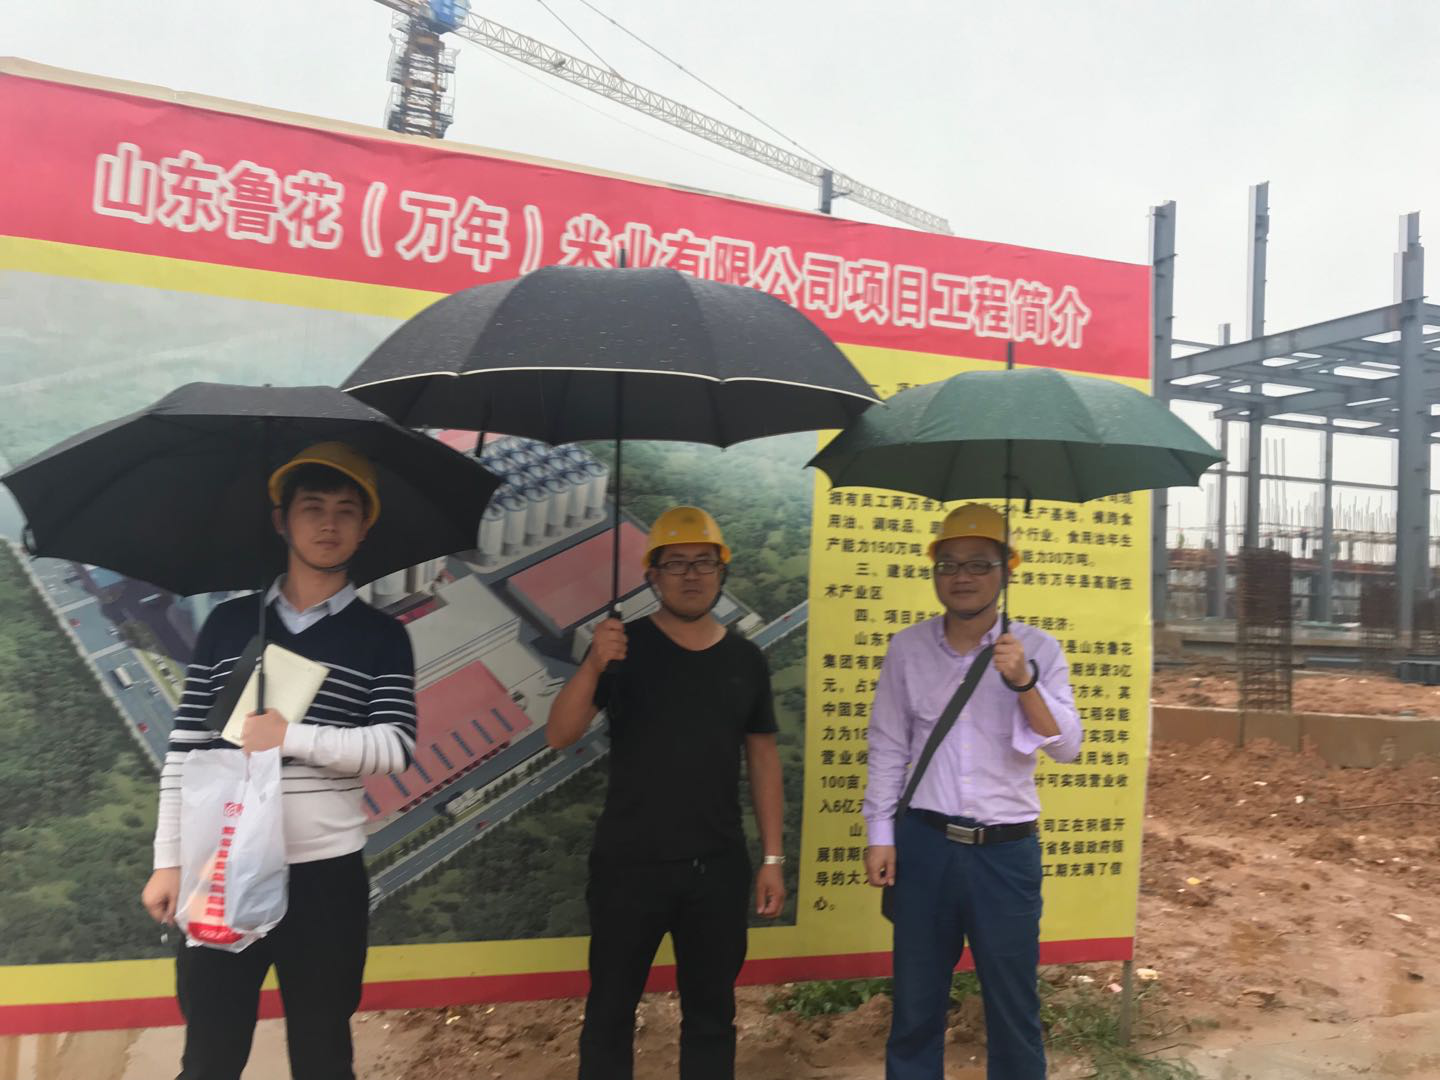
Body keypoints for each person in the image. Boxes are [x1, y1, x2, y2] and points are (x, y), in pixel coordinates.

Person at [140, 442, 418, 1080]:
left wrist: (291, 736)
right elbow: (186, 751)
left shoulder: (382, 636)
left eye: (346, 511)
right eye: (312, 507)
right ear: (281, 520)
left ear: (365, 528)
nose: (328, 524)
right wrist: (167, 861)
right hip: (222, 866)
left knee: (324, 1056)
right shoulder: (230, 625)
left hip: (326, 879)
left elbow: (395, 746)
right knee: (209, 1057)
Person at [547, 505, 787, 1080]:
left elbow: (763, 757)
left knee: (712, 1016)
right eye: (675, 563)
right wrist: (593, 664)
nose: (691, 574)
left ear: (722, 571)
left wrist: (773, 859)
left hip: (717, 868)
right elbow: (560, 734)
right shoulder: (621, 647)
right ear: (652, 575)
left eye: (704, 562)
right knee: (609, 1013)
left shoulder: (746, 660)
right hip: (628, 867)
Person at [863, 503, 1082, 1080]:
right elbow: (888, 744)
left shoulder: (1038, 650)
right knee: (915, 1003)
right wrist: (880, 834)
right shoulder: (907, 649)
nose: (962, 576)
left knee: (1012, 1006)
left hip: (1005, 853)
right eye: (950, 564)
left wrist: (1023, 681)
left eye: (980, 563)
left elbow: (1066, 747)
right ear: (935, 571)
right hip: (925, 846)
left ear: (1006, 570)